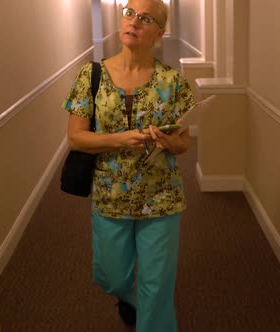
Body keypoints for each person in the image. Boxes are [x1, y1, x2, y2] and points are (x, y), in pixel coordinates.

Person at [62, 0, 194, 331]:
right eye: (129, 13)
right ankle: (127, 297)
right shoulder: (90, 76)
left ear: (159, 34)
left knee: (157, 286)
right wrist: (121, 139)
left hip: (161, 195)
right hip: (110, 195)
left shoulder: (173, 82)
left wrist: (168, 142)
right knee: (111, 274)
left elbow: (183, 143)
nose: (133, 22)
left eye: (145, 18)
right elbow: (76, 139)